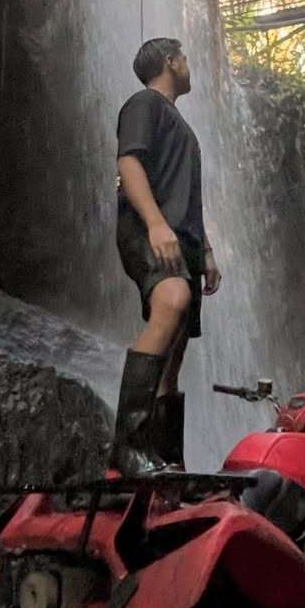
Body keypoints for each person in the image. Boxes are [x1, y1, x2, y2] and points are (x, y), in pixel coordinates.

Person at [110, 37, 222, 473]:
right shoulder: (144, 104)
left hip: (185, 239)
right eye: (186, 58)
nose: (190, 66)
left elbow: (189, 196)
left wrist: (207, 251)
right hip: (150, 228)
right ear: (171, 61)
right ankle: (126, 446)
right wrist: (155, 223)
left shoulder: (181, 125)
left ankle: (165, 458)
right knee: (171, 299)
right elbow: (130, 163)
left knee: (174, 355)